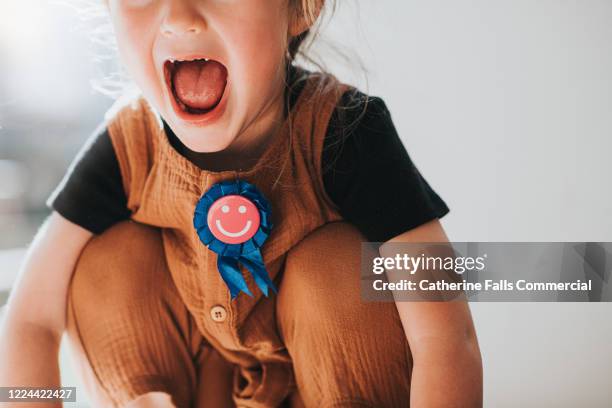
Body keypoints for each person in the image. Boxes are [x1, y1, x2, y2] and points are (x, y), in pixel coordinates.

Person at [0, 0, 483, 406]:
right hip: (193, 384)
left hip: (334, 385)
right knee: (105, 259)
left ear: (302, 8)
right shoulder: (127, 146)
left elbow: (445, 336)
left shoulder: (346, 132)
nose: (180, 17)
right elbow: (30, 317)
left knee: (337, 265)